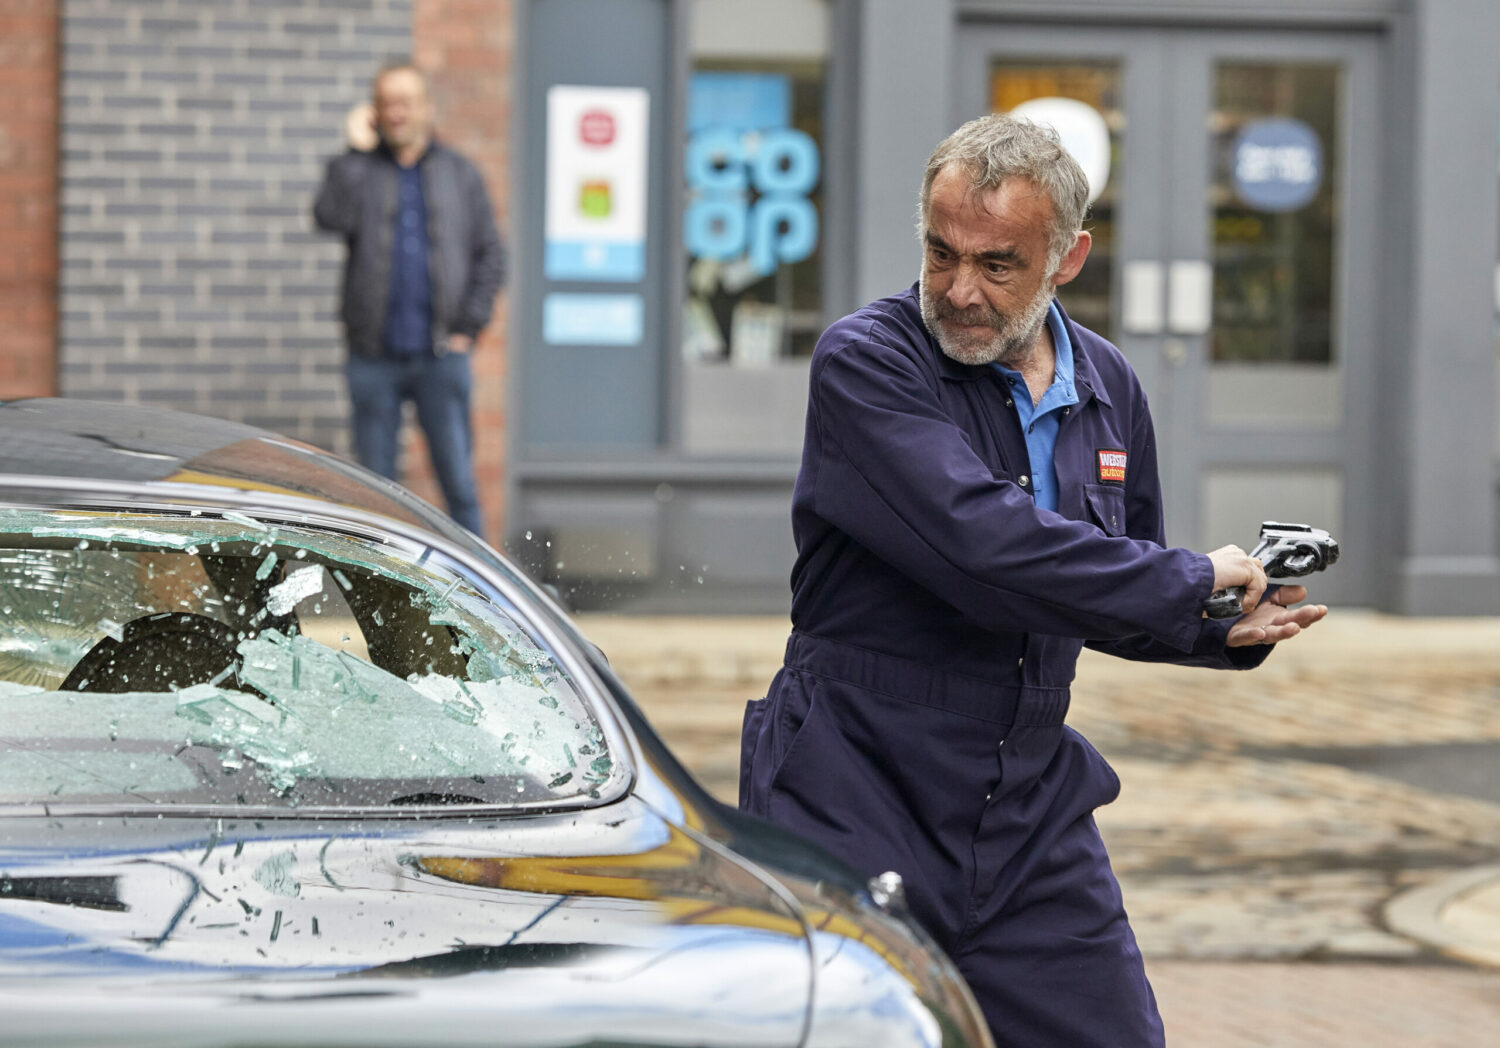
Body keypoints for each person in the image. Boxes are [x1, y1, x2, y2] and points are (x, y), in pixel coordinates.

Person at [738, 114, 1327, 1048]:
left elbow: (1103, 586)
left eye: (997, 264)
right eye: (941, 253)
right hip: (856, 788)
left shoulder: (1108, 384)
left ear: (1068, 258)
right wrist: (1184, 580)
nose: (959, 290)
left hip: (1027, 807)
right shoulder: (867, 360)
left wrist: (1216, 623)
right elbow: (984, 543)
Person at [313, 63, 504, 537]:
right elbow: (329, 216)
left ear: (427, 108)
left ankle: (478, 584)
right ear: (375, 112)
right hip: (373, 358)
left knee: (459, 484)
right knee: (372, 491)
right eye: (387, 103)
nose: (396, 112)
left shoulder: (459, 173)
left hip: (441, 357)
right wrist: (354, 151)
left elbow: (491, 254)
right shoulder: (361, 170)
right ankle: (377, 581)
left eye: (406, 102)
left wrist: (467, 328)